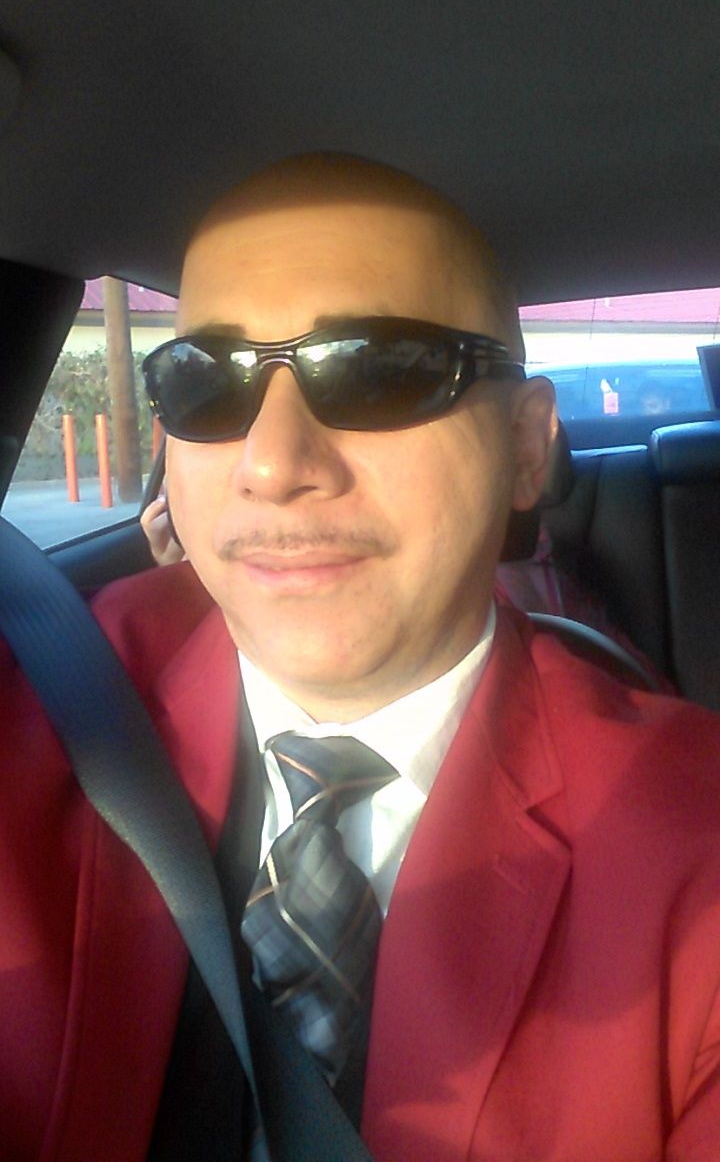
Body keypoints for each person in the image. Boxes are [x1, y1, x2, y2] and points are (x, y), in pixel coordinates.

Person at [3, 153, 720, 1162]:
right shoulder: (44, 700)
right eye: (205, 384)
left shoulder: (689, 849)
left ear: (525, 446)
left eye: (380, 371)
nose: (273, 463)